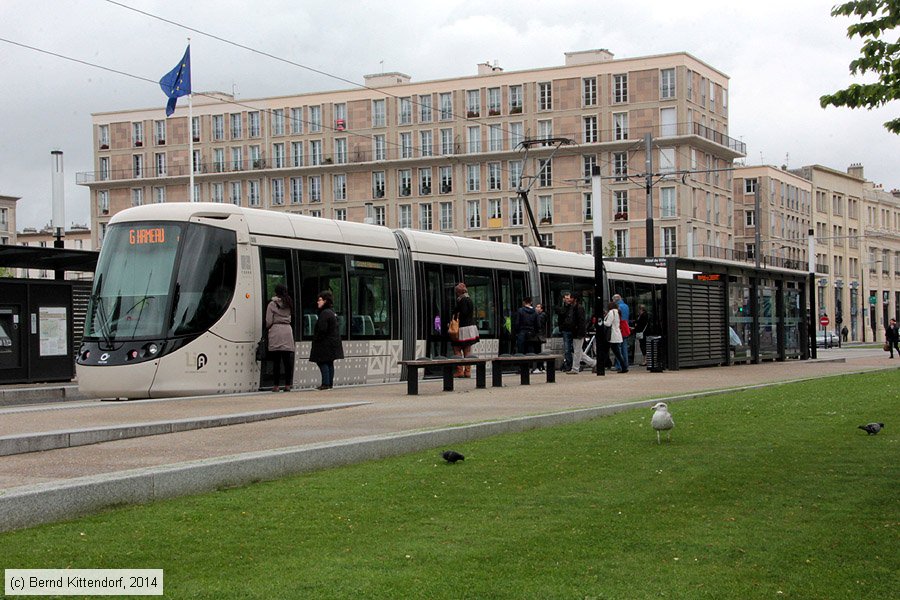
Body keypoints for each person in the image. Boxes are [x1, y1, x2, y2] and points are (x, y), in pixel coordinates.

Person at [309, 290, 344, 390]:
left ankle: (325, 383)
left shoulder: (324, 313)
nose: (318, 302)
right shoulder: (332, 312)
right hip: (332, 343)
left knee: (322, 362)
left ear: (325, 301)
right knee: (329, 362)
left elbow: (322, 329)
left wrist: (316, 339)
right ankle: (329, 384)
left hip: (324, 343)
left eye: (320, 300)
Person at [265, 284, 295, 392]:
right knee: (287, 361)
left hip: (276, 331)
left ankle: (276, 385)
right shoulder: (289, 303)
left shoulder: (272, 304)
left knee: (276, 361)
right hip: (287, 331)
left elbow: (268, 321)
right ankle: (287, 385)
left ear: (276, 292)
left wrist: (269, 328)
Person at [451, 282, 480, 377]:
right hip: (470, 328)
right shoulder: (469, 299)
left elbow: (463, 312)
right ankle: (467, 372)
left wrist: (455, 315)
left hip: (463, 328)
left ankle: (459, 371)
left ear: (458, 292)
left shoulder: (462, 300)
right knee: (467, 350)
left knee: (457, 348)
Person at [569, 293, 596, 374]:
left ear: (575, 299)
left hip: (578, 333)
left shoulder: (579, 308)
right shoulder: (574, 308)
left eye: (571, 298)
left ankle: (575, 368)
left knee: (577, 351)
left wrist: (581, 333)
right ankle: (593, 363)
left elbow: (581, 322)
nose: (569, 299)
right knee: (578, 351)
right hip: (575, 332)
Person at [603, 301, 628, 373]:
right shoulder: (617, 312)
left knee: (617, 353)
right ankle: (624, 366)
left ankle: (624, 367)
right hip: (617, 334)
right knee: (617, 352)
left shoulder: (611, 312)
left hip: (612, 335)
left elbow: (608, 323)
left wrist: (602, 322)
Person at [555, 292, 576, 372]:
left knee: (574, 349)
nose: (568, 300)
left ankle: (574, 364)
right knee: (567, 349)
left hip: (573, 330)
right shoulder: (562, 308)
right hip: (566, 330)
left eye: (569, 298)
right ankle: (569, 364)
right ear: (563, 299)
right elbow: (560, 312)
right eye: (566, 298)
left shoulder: (574, 307)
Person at [612, 293, 630, 372]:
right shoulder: (626, 306)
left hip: (619, 329)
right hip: (625, 328)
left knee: (618, 349)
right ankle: (625, 364)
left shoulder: (617, 308)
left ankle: (619, 365)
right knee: (624, 348)